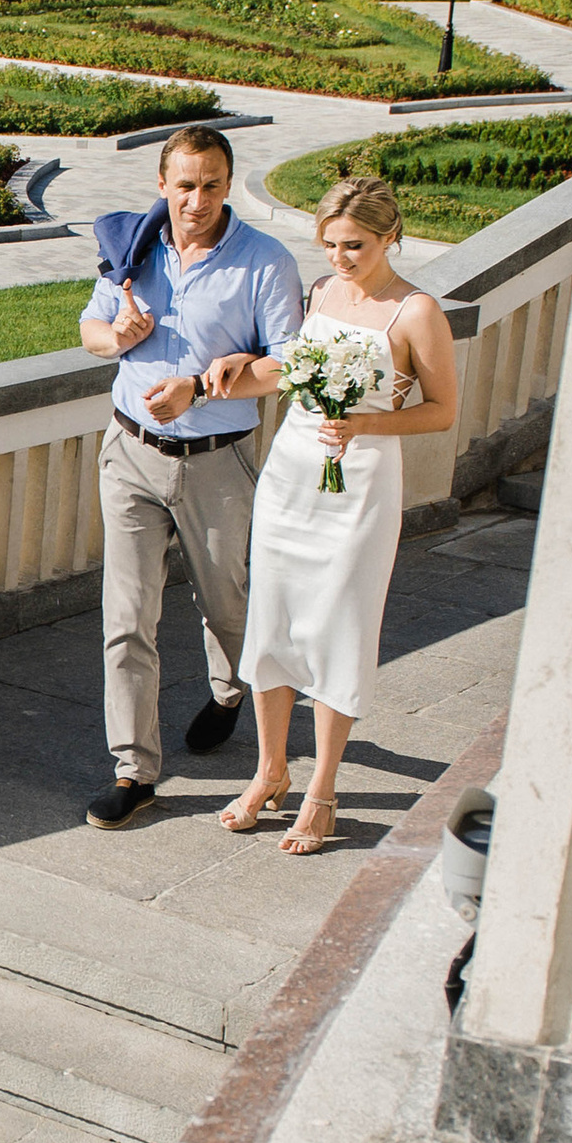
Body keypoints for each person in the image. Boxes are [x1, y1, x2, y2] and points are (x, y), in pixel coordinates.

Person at [206, 172, 460, 856]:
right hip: (292, 473)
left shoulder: (416, 312)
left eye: (355, 245)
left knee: (338, 626)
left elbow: (442, 411)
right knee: (274, 618)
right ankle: (270, 770)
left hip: (361, 485)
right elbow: (287, 373)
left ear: (389, 236)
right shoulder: (320, 293)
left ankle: (322, 789)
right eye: (330, 244)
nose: (340, 257)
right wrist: (237, 366)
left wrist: (365, 425)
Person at [79, 123, 306, 831]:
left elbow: (289, 364)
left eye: (211, 186)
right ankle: (134, 770)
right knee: (127, 619)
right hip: (130, 455)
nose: (197, 201)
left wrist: (201, 389)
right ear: (162, 184)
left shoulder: (265, 262)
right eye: (184, 186)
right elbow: (90, 329)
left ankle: (231, 691)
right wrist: (117, 337)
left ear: (228, 185)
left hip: (217, 462)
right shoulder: (134, 247)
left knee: (227, 606)